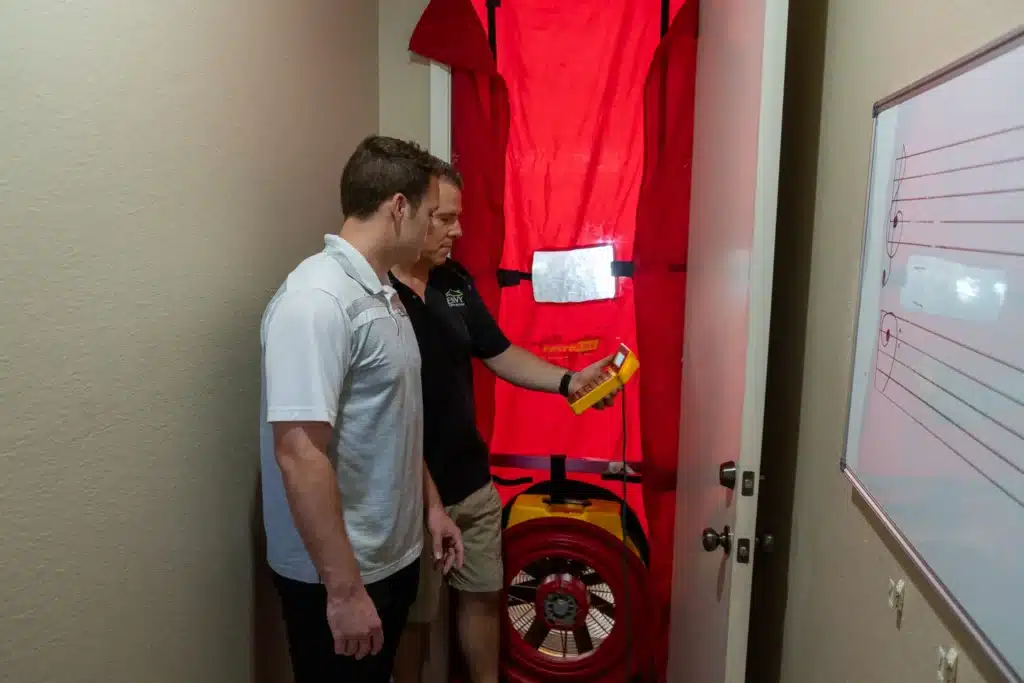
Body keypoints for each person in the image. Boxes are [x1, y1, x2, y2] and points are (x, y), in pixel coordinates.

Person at [390, 163, 619, 683]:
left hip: (472, 487)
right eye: (445, 218)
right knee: (413, 622)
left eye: (459, 218)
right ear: (411, 214)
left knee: (482, 599)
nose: (458, 231)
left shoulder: (454, 282)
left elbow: (498, 353)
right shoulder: (375, 293)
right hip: (409, 496)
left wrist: (568, 382)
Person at [259, 135, 464, 683]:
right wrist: (345, 590)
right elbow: (299, 454)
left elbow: (396, 419)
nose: (438, 229)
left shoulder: (383, 293)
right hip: (339, 575)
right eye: (428, 214)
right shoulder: (316, 302)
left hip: (392, 558)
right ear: (398, 208)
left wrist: (432, 508)